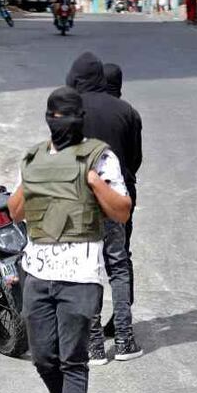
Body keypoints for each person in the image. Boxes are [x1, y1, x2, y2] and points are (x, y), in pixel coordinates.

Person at [8, 87, 132, 393]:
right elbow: (15, 212)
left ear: (80, 118)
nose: (59, 122)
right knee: (44, 358)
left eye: (66, 116)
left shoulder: (99, 157)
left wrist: (94, 183)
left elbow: (122, 211)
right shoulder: (34, 158)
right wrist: (31, 184)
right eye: (54, 116)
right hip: (38, 269)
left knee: (72, 358)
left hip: (80, 271)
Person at [65, 53, 144, 363]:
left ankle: (94, 345)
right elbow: (135, 161)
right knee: (119, 264)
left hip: (81, 203)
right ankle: (124, 339)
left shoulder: (70, 109)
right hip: (116, 199)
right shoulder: (127, 111)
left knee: (88, 269)